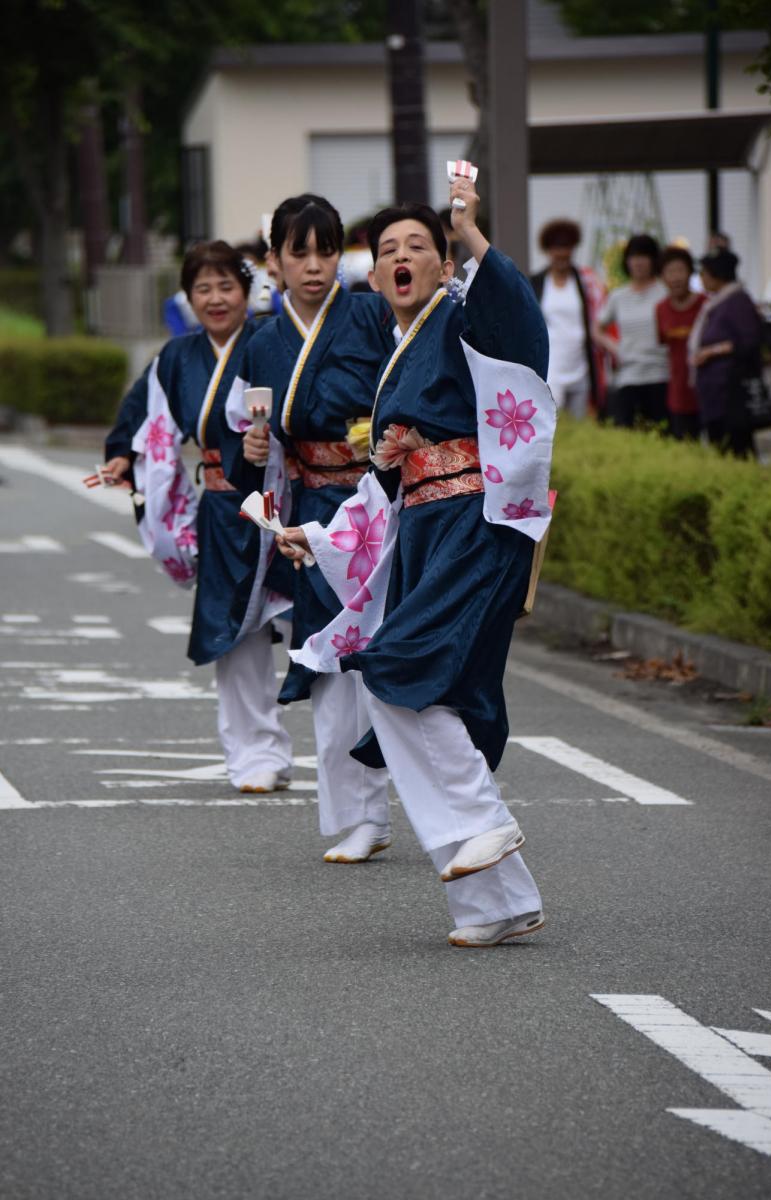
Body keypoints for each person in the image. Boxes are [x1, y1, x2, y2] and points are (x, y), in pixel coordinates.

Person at [276, 179, 556, 949]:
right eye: (389, 250)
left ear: (441, 267)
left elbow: (521, 333)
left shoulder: (465, 319)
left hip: (475, 521)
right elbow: (383, 491)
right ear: (375, 277)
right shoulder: (397, 350)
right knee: (407, 688)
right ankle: (496, 903)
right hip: (426, 528)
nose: (402, 258)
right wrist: (319, 537)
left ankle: (479, 822)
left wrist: (471, 234)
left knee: (399, 669)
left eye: (419, 248)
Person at [226, 195, 396, 865]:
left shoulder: (370, 313)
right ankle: (359, 814)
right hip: (313, 516)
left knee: (389, 659)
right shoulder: (262, 341)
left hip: (380, 504)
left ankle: (424, 800)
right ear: (273, 261)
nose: (314, 265)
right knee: (330, 663)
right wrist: (251, 453)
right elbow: (249, 435)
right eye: (298, 252)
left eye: (326, 250)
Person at [103, 240, 292, 792]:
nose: (215, 299)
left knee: (317, 624)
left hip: (286, 500)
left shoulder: (269, 338)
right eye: (202, 289)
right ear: (188, 297)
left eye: (225, 286)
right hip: (220, 508)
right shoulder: (178, 357)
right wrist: (121, 452)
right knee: (235, 635)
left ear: (246, 289)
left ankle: (349, 758)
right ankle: (256, 755)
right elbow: (140, 413)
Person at [688, 248, 763, 458]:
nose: (701, 278)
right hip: (714, 392)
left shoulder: (737, 301)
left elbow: (748, 341)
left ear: (717, 274)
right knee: (719, 446)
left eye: (703, 273)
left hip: (731, 392)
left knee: (735, 449)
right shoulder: (716, 302)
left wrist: (711, 351)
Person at [530, 218, 606, 417]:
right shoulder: (537, 283)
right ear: (548, 250)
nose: (562, 253)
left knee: (580, 426)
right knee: (553, 422)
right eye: (556, 247)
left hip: (581, 365)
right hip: (552, 365)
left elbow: (600, 316)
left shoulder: (586, 281)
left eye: (567, 247)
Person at [593, 233, 668, 428]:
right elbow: (597, 328)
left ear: (653, 260)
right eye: (633, 257)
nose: (638, 262)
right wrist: (616, 348)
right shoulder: (618, 296)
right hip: (628, 377)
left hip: (661, 375)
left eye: (644, 256)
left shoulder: (665, 292)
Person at [656, 246, 705, 440]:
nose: (676, 277)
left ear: (690, 273)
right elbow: (662, 344)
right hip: (677, 392)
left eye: (680, 270)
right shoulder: (661, 309)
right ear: (662, 277)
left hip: (705, 389)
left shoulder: (705, 304)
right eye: (670, 272)